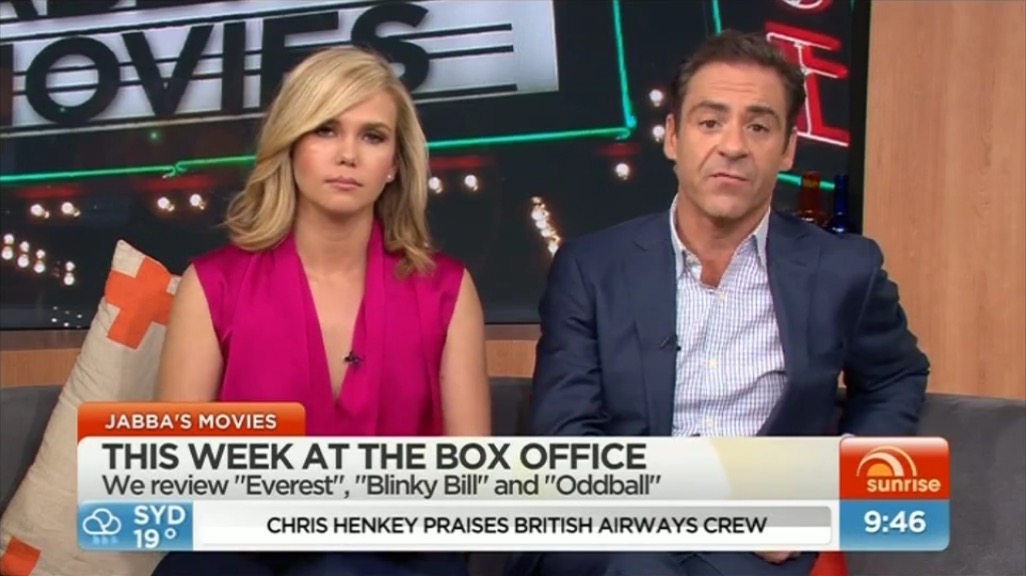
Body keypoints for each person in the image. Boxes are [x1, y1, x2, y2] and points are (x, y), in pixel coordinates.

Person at [506, 30, 929, 576]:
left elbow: (896, 377)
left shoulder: (844, 270)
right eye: (710, 122)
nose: (733, 146)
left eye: (758, 126)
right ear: (673, 137)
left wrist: (830, 488)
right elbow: (565, 435)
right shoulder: (591, 268)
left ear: (787, 149)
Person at [152, 47, 491, 576]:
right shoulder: (214, 285)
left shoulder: (446, 290)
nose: (348, 154)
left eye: (372, 136)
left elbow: (472, 490)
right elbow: (172, 484)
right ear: (290, 145)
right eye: (326, 130)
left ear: (394, 164)